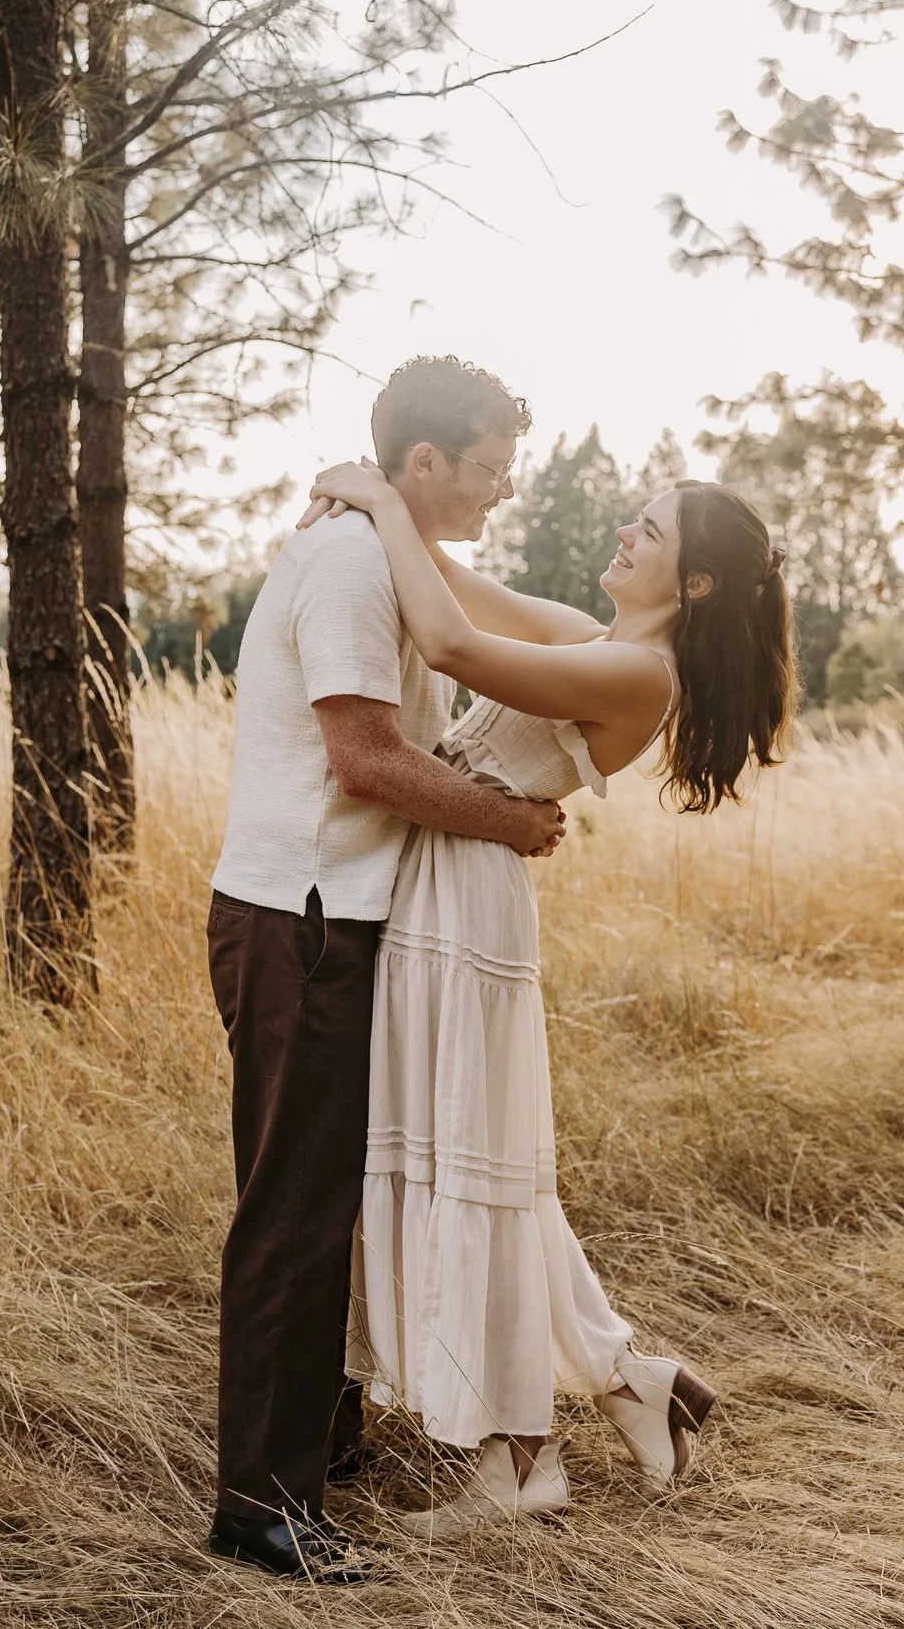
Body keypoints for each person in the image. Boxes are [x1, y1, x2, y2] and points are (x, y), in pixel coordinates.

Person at [301, 434, 795, 1535]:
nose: (624, 531)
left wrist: (376, 492)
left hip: (468, 901)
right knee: (468, 1165)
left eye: (649, 530)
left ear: (695, 583)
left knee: (468, 1170)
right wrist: (374, 499)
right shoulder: (590, 635)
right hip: (444, 880)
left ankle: (522, 1460)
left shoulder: (638, 675)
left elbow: (448, 639)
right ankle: (630, 1382)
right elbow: (454, 580)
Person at [203, 357, 567, 1583]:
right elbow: (364, 757)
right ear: (424, 462)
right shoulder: (353, 564)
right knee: (295, 1210)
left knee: (333, 1198)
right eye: (487, 466)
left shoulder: (379, 547)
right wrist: (508, 820)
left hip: (327, 917)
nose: (501, 487)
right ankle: (263, 1507)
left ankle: (319, 1440)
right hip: (302, 921)